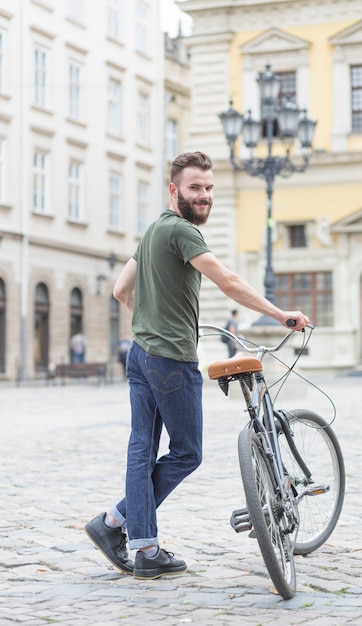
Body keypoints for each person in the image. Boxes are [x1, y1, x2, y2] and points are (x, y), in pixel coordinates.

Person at [84, 151, 310, 580]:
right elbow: (228, 281)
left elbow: (119, 290)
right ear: (174, 190)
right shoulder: (182, 232)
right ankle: (114, 522)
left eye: (208, 189)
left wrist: (151, 317)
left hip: (141, 354)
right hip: (171, 360)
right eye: (194, 188)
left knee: (141, 449)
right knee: (187, 452)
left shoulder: (153, 231)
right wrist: (281, 315)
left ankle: (143, 547)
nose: (203, 196)